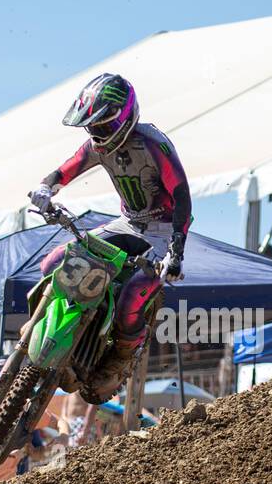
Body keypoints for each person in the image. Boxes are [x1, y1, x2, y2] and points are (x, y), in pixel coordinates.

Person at [27, 73, 191, 398]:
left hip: (162, 231)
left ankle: (121, 357)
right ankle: (47, 330)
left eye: (103, 126)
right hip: (126, 223)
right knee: (52, 264)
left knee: (131, 295)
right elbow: (68, 169)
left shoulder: (153, 144)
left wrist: (176, 250)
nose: (97, 134)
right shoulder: (95, 145)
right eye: (92, 127)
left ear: (125, 117)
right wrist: (46, 188)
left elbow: (182, 194)